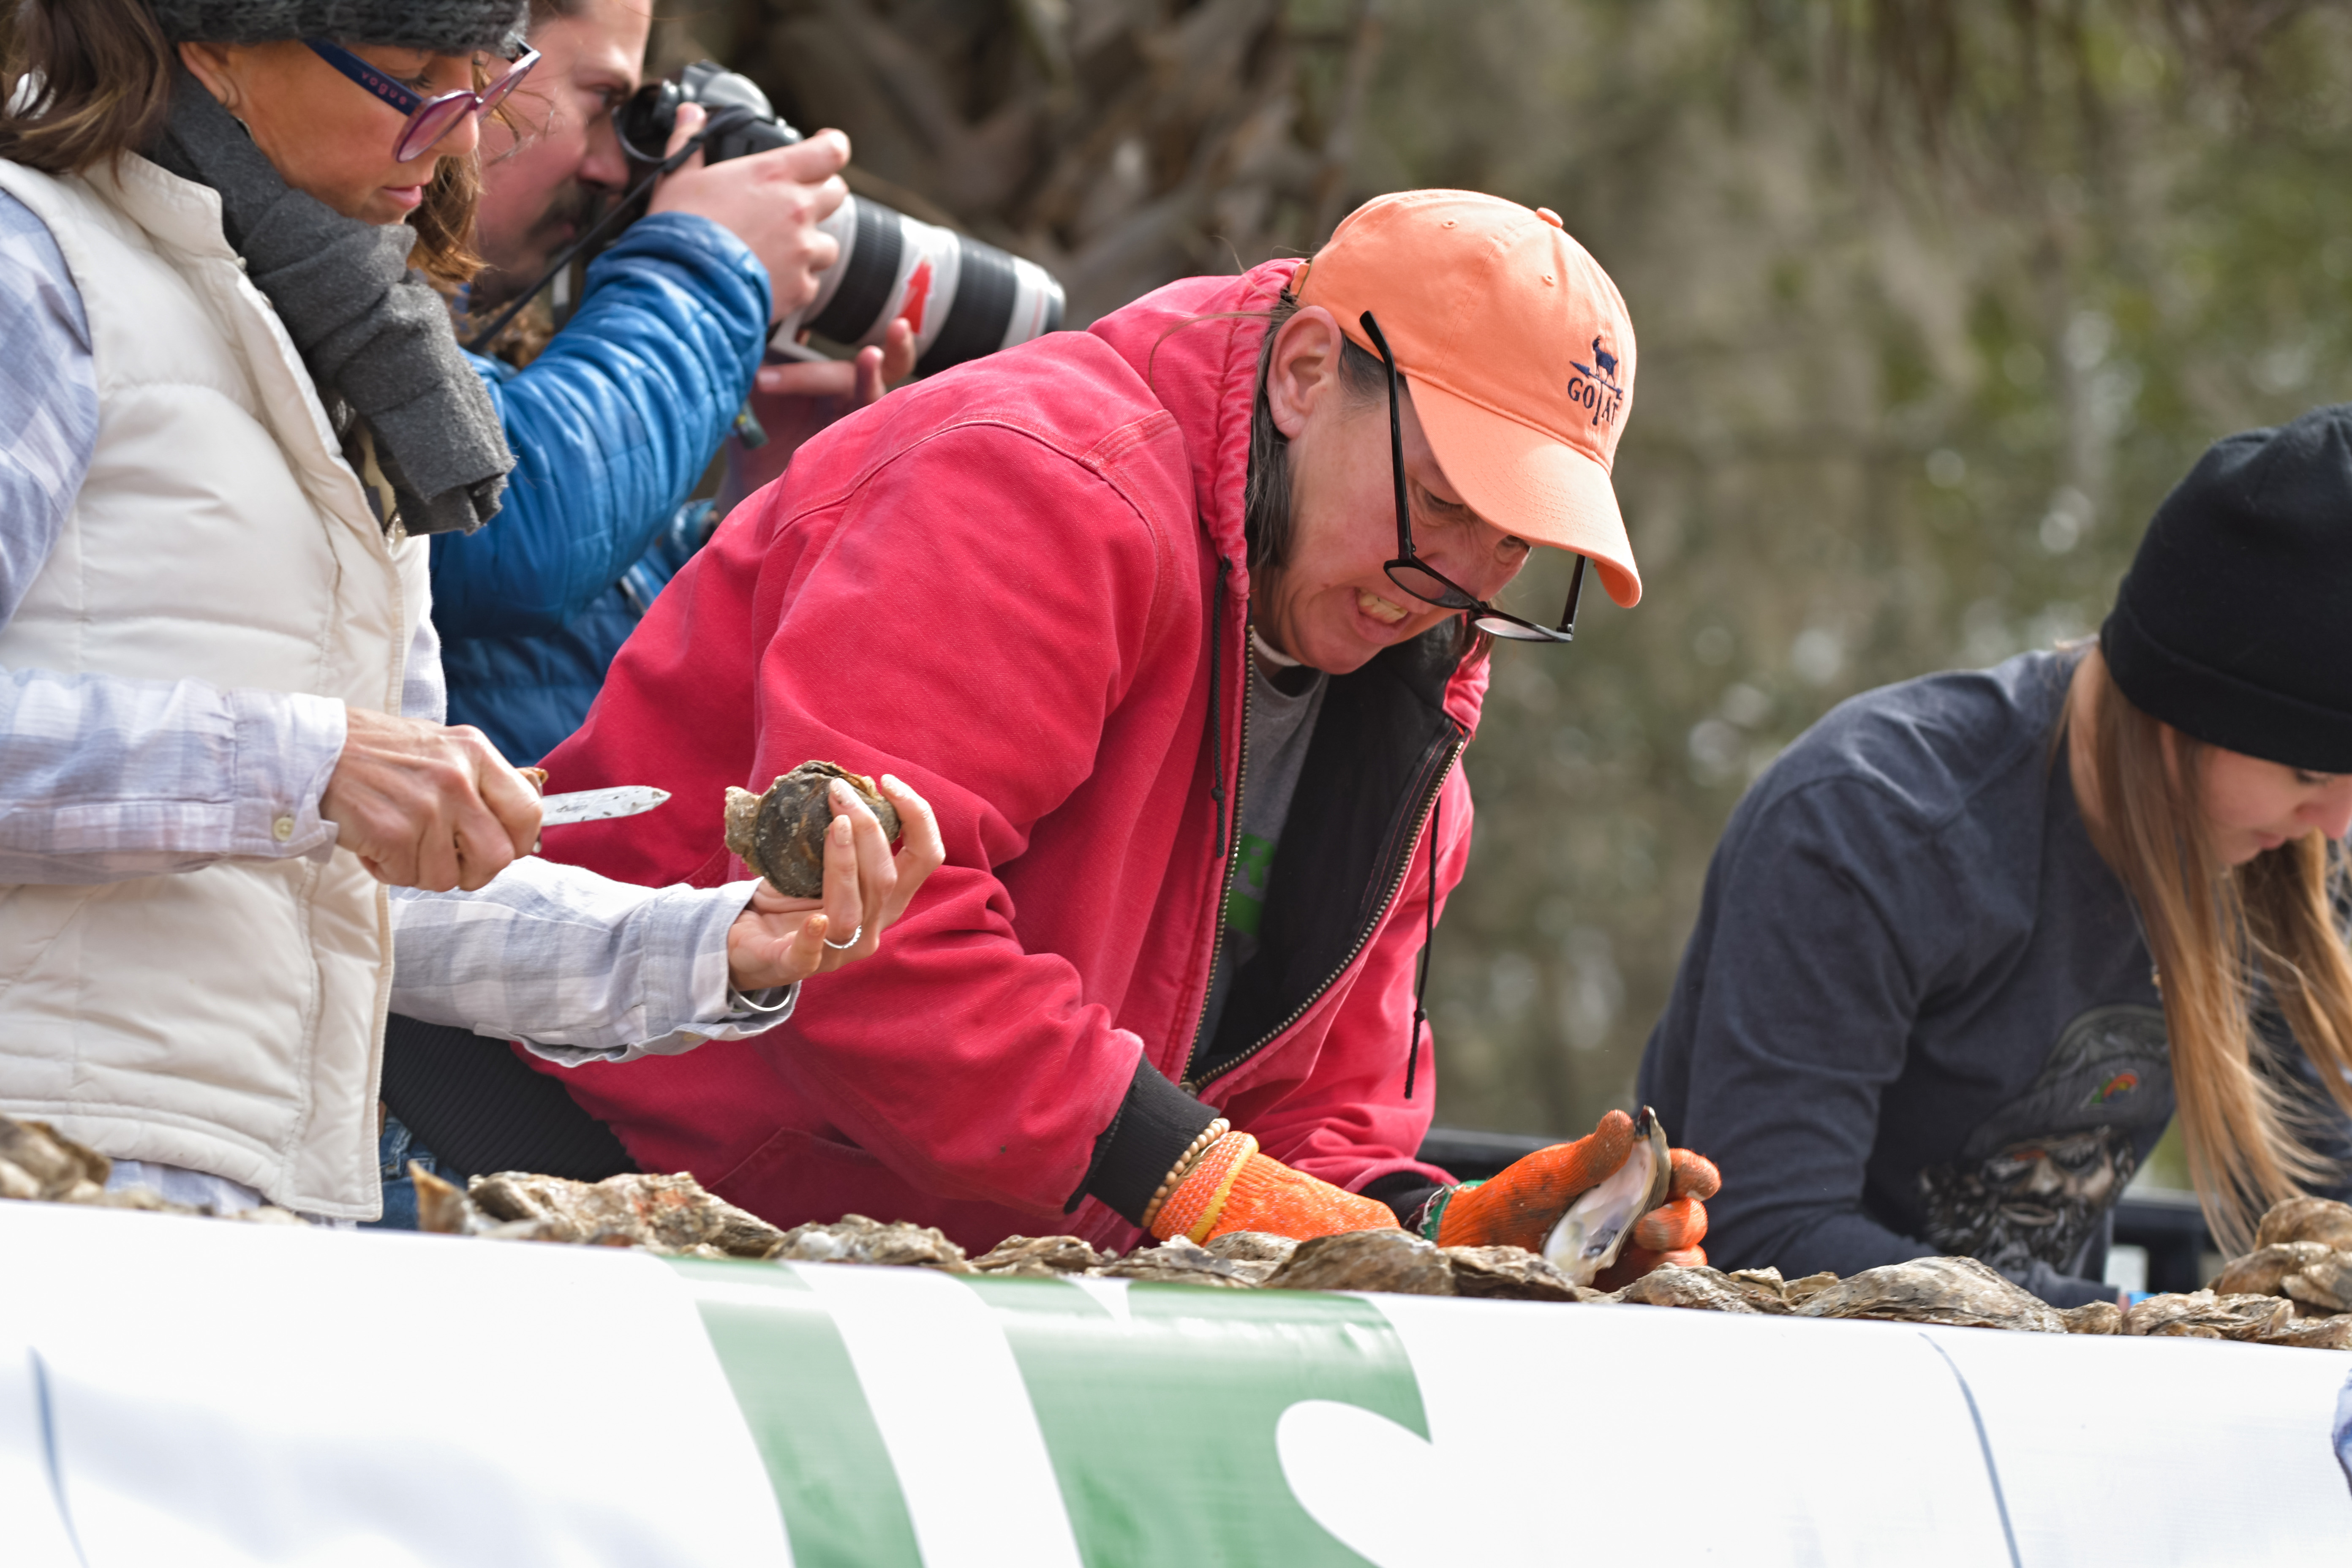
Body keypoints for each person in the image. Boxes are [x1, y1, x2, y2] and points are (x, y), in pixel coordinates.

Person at [435, 189, 1716, 1273]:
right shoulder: (1031, 488)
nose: (1456, 579)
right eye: (1439, 503)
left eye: (1513, 543)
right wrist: (1209, 1192)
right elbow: (869, 944)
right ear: (1305, 371)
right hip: (586, 1187)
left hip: (914, 1273)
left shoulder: (1416, 728)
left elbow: (1307, 1127)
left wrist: (1439, 1224)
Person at [0, 0, 938, 1222]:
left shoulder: (356, 350)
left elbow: (381, 887)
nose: (456, 146)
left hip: (253, 1212)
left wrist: (717, 947)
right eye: (413, 84)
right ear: (214, 45)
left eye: (488, 92)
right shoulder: (35, 267)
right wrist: (314, 764)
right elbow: (320, 794)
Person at [1638, 406, 2352, 1308]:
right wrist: (2116, 1328)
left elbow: (2324, 1216)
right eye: (2310, 771)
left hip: (2035, 1409)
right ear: (2183, 712)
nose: (2337, 821)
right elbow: (1769, 1237)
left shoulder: (2282, 849)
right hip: (1781, 1391)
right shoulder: (1871, 822)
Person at [430, 0, 913, 767]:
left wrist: (759, 515)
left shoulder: (465, 322)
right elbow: (509, 526)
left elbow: (549, 652)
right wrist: (710, 265)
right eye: (604, 102)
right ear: (473, 50)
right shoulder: (316, 282)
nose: (614, 170)